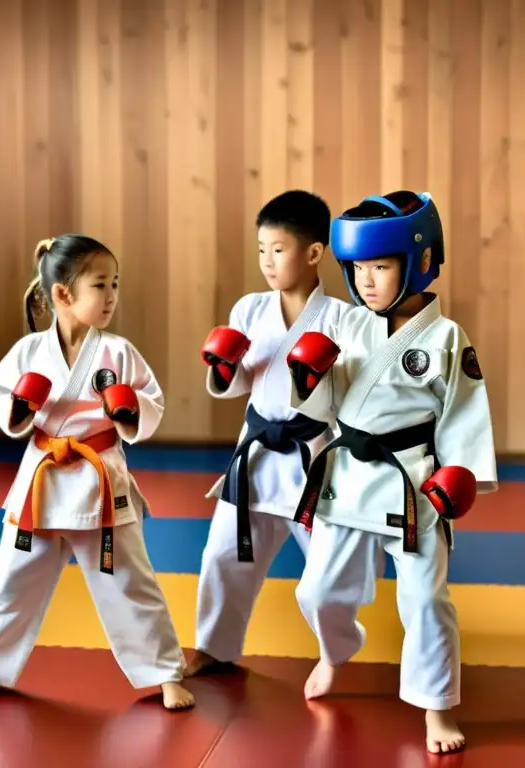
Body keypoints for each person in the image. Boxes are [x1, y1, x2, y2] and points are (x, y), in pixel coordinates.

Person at [0, 234, 194, 711]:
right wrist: (20, 406)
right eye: (101, 285)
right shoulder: (29, 352)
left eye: (115, 284)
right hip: (42, 481)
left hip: (101, 486)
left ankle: (164, 674)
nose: (112, 296)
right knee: (8, 583)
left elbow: (150, 402)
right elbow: (2, 400)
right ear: (63, 294)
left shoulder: (118, 352)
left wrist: (128, 409)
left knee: (131, 583)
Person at [284, 191, 498, 754]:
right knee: (317, 591)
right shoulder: (350, 325)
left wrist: (461, 476)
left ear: (420, 261)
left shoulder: (446, 338)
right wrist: (307, 380)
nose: (368, 280)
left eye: (381, 265)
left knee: (426, 601)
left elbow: (464, 413)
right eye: (358, 268)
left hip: (412, 485)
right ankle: (335, 650)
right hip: (347, 478)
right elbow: (326, 405)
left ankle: (436, 707)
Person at [187, 190, 351, 677]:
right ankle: (213, 645)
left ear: (314, 252)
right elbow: (234, 385)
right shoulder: (250, 310)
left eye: (278, 249)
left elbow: (346, 397)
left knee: (328, 570)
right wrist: (222, 367)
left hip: (313, 456)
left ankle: (333, 652)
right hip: (256, 455)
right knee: (222, 554)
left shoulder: (345, 319)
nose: (266, 261)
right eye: (261, 249)